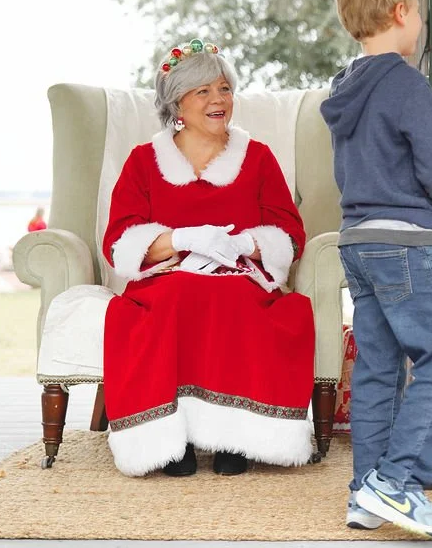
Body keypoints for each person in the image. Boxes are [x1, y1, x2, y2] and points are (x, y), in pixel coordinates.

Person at [101, 38, 314, 478]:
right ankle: (173, 441)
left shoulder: (257, 158)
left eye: (225, 89)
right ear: (177, 101)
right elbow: (120, 239)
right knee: (179, 294)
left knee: (231, 299)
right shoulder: (144, 161)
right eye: (204, 91)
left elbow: (289, 232)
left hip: (239, 277)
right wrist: (181, 238)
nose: (219, 100)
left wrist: (244, 245)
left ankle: (231, 439)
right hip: (168, 278)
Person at [323, 0, 432, 540]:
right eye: (419, 14)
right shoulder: (406, 82)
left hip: (357, 241)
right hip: (407, 241)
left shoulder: (344, 88)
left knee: (380, 365)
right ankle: (398, 483)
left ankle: (365, 491)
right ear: (401, 12)